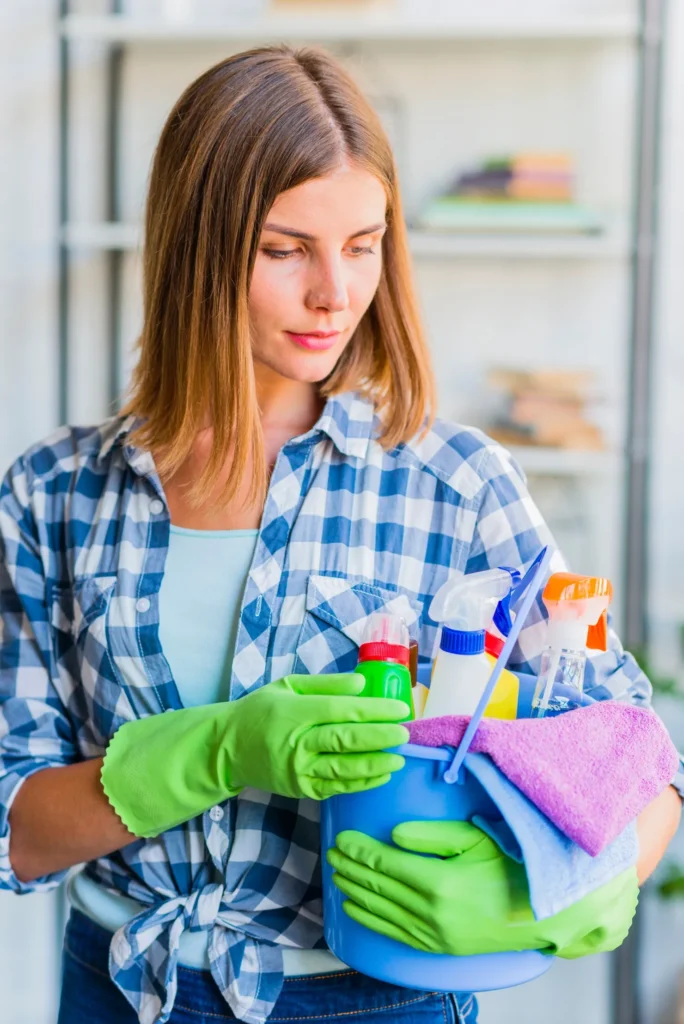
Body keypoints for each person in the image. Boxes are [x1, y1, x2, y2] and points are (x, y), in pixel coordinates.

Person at [0, 46, 681, 1024]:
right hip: (118, 990)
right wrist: (215, 750)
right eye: (285, 249)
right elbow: (16, 830)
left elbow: (638, 757)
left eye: (363, 245)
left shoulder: (457, 485)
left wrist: (572, 895)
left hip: (375, 996)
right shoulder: (56, 493)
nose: (335, 293)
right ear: (195, 246)